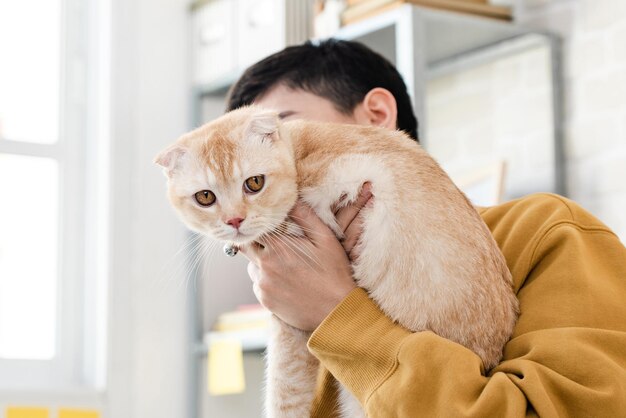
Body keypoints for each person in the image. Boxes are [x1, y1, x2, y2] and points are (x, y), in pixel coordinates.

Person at [226, 39, 626, 416]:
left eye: (275, 133)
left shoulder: (543, 232)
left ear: (377, 117)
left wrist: (338, 314)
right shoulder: (293, 303)